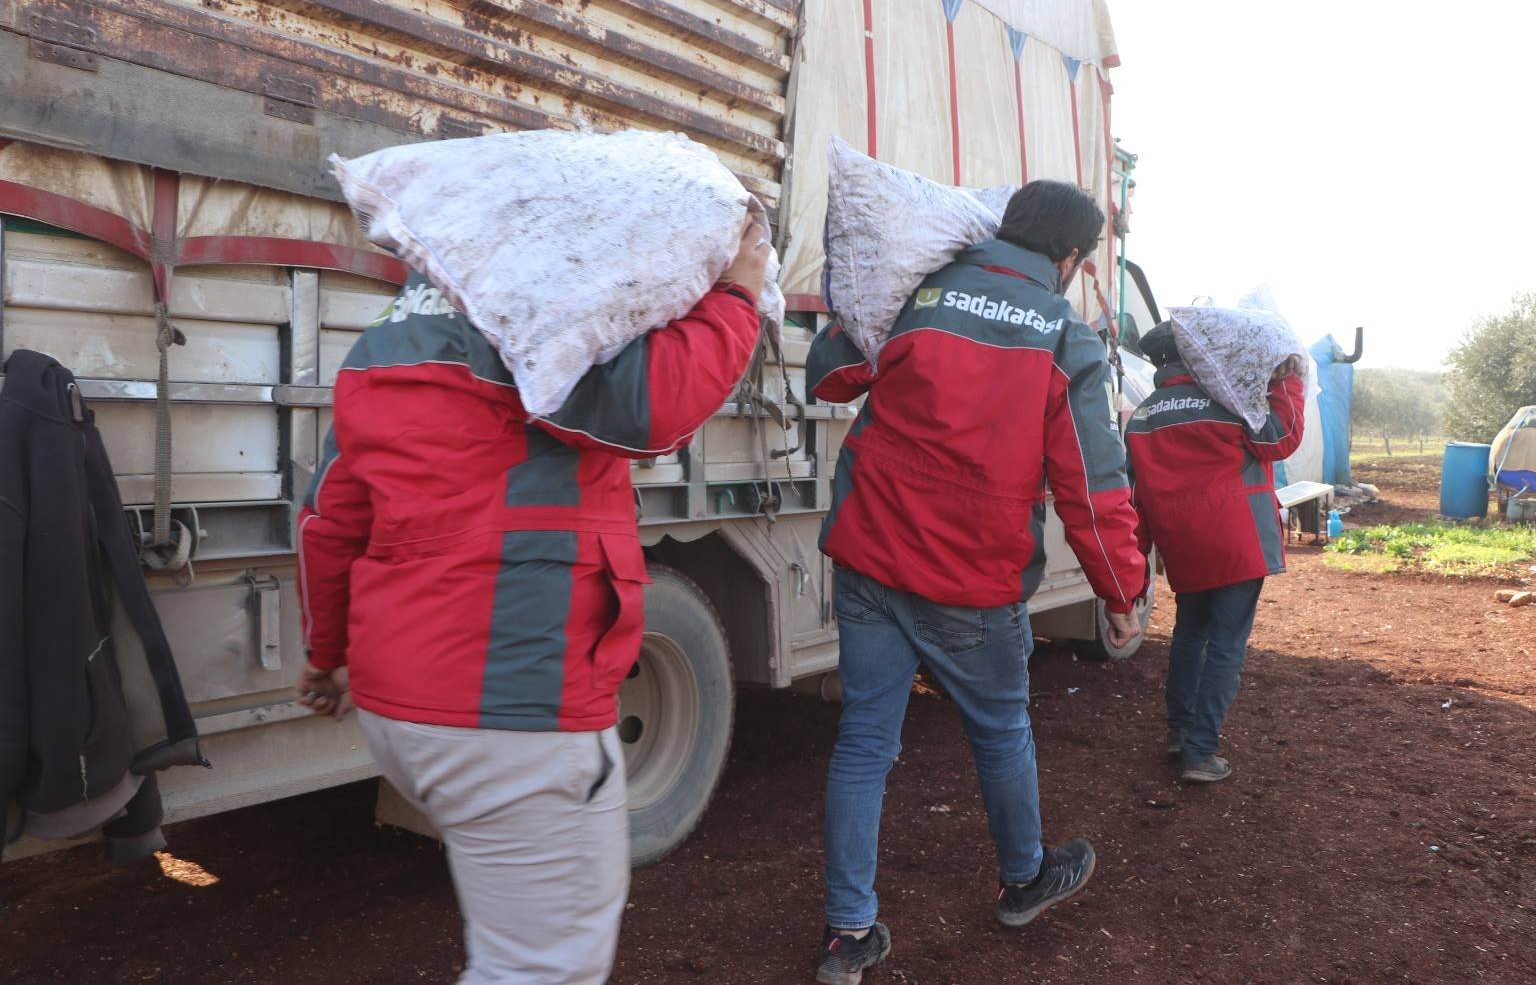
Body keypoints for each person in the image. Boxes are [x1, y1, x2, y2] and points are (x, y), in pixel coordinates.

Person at [295, 220, 771, 985]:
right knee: (541, 971)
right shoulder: (529, 318)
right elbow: (652, 413)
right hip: (512, 702)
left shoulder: (378, 343)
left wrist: (326, 659)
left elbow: (328, 523)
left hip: (398, 706)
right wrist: (737, 298)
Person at [804, 180, 1149, 985]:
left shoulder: (917, 291)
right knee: (999, 730)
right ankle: (1024, 880)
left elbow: (829, 374)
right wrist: (1121, 591)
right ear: (1066, 258)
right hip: (969, 570)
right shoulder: (1067, 336)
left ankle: (848, 934)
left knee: (863, 744)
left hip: (868, 551)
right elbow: (1093, 487)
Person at [1123, 321, 1305, 784]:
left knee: (1189, 636)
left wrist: (1133, 570)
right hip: (1237, 542)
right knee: (1225, 645)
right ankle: (1201, 754)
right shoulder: (1229, 401)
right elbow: (1279, 439)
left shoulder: (1142, 415)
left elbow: (1136, 496)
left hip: (1183, 545)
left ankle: (1180, 733)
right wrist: (1287, 380)